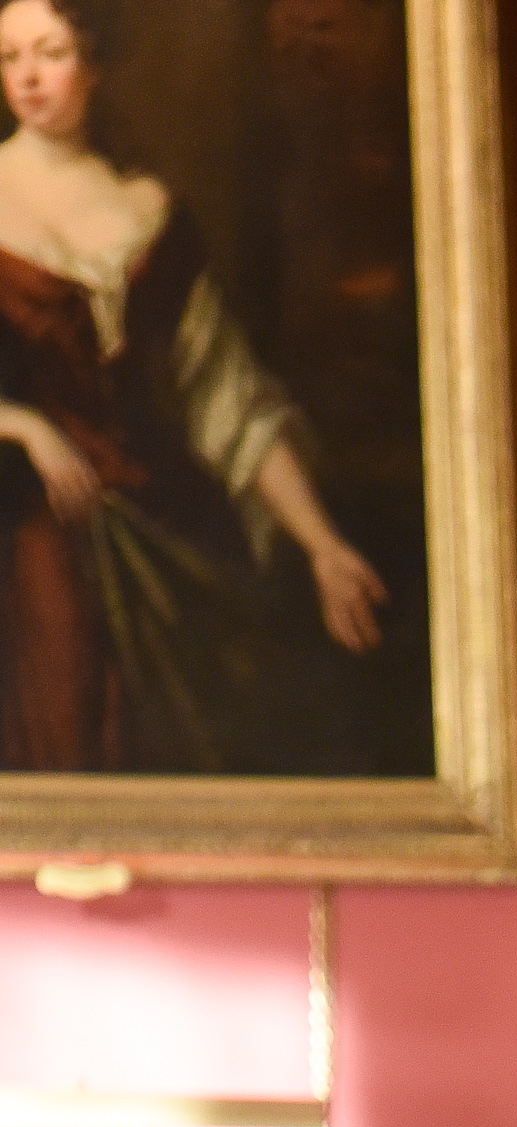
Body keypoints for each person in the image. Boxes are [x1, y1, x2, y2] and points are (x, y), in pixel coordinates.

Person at [0, 0, 386, 775]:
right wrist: (27, 428)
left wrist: (322, 545)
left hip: (163, 507)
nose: (29, 78)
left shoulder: (151, 213)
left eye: (50, 52)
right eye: (9, 58)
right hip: (30, 519)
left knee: (217, 725)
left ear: (96, 66)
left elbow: (226, 396)